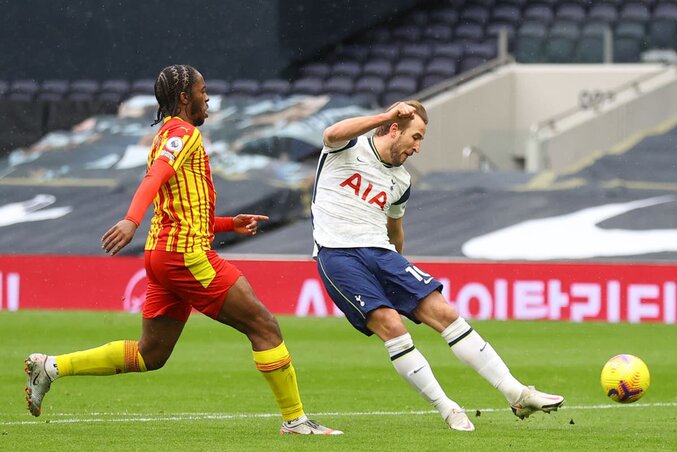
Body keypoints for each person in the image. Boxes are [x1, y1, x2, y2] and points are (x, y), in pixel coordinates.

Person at [24, 64, 342, 436]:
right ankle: (296, 421)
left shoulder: (166, 133)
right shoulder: (182, 132)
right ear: (184, 98)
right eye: (203, 90)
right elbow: (155, 176)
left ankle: (51, 367)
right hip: (186, 257)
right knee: (264, 326)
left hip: (162, 255)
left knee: (151, 354)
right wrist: (131, 219)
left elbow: (179, 204)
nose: (208, 98)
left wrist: (227, 224)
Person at [311, 100, 564, 431]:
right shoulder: (348, 147)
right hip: (338, 254)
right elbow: (331, 132)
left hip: (383, 254)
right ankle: (448, 408)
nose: (417, 148)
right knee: (391, 326)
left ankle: (517, 393)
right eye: (415, 137)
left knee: (445, 313)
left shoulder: (400, 181)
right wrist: (388, 113)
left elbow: (395, 230)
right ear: (392, 129)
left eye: (421, 140)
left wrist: (397, 268)